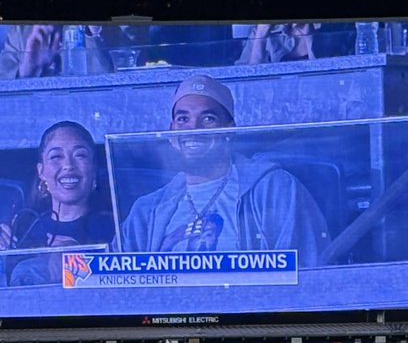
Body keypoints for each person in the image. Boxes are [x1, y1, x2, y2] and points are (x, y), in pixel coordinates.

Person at [119, 75, 328, 264]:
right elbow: (118, 288)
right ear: (172, 134)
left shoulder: (275, 189)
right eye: (183, 119)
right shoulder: (146, 210)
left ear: (229, 130)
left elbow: (307, 277)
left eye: (208, 119)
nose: (194, 130)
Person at [0, 121, 114, 287]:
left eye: (80, 155)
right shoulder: (22, 227)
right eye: (56, 157)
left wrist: (80, 260)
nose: (68, 165)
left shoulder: (114, 228)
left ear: (94, 168)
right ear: (41, 171)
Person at [0, 24, 113, 78]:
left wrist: (94, 35)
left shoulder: (117, 27)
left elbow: (116, 95)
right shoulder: (21, 33)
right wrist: (27, 72)